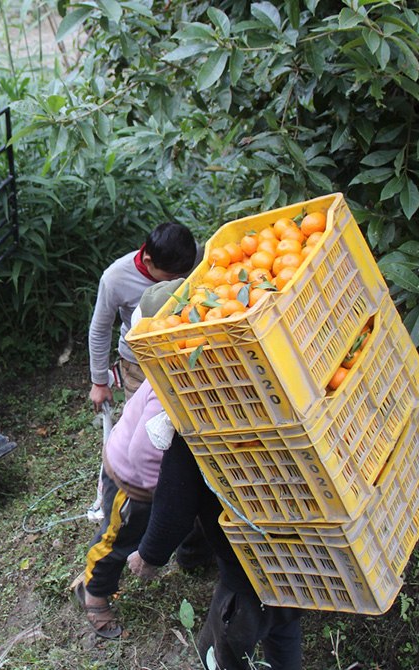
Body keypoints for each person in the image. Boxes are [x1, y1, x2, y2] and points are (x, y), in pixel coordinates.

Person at [74, 283, 214, 639]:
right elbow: (142, 452)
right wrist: (161, 490)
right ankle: (94, 593)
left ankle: (193, 557)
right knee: (118, 539)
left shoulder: (180, 371)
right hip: (133, 481)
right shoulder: (164, 397)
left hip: (155, 479)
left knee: (189, 516)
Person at [127, 436, 303, 669]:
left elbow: (176, 506)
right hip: (302, 559)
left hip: (246, 573)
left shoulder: (198, 424)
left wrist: (148, 555)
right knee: (284, 629)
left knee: (219, 653)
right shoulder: (295, 415)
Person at [88, 222, 199, 411]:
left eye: (182, 275)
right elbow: (100, 329)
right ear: (148, 261)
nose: (177, 281)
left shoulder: (193, 254)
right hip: (140, 363)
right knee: (141, 418)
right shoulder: (116, 278)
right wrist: (99, 382)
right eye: (170, 277)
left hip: (185, 354)